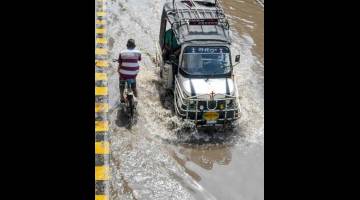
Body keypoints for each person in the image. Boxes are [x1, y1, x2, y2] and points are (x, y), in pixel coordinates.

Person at [118, 39, 141, 103]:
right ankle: (136, 94)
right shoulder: (138, 52)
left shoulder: (121, 53)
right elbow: (139, 59)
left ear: (127, 46)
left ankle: (122, 97)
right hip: (134, 73)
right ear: (134, 46)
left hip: (123, 74)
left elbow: (120, 63)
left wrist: (118, 71)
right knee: (133, 81)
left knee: (121, 81)